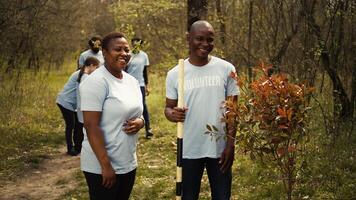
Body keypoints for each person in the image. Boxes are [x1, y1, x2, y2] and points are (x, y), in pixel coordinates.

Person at [165, 20, 239, 200]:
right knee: (189, 196)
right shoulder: (176, 73)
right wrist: (173, 114)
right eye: (199, 38)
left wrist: (230, 144)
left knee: (222, 196)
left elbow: (233, 111)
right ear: (188, 38)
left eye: (210, 40)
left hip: (220, 149)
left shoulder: (226, 69)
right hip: (189, 147)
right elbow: (168, 108)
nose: (205, 44)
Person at [79, 32, 145, 200]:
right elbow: (91, 125)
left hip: (128, 162)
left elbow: (139, 112)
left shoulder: (132, 81)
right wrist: (105, 165)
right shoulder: (96, 82)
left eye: (126, 49)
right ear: (104, 53)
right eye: (118, 49)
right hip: (101, 166)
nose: (124, 53)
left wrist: (141, 122)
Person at [126, 37, 153, 139]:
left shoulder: (144, 55)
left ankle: (148, 129)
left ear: (140, 44)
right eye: (134, 43)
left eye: (138, 43)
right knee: (128, 105)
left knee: (142, 105)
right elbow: (124, 70)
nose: (136, 44)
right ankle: (129, 126)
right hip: (128, 84)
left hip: (140, 84)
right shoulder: (128, 55)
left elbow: (145, 72)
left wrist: (147, 86)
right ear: (132, 44)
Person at [57, 64, 84, 156]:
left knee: (77, 124)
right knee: (71, 125)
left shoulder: (81, 73)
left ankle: (77, 147)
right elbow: (79, 92)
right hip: (65, 102)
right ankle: (70, 148)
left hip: (70, 104)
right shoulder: (81, 75)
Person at [76, 56, 100, 154]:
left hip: (82, 107)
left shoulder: (84, 75)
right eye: (96, 68)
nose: (96, 70)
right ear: (91, 65)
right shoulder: (86, 78)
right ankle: (87, 151)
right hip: (84, 108)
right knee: (87, 131)